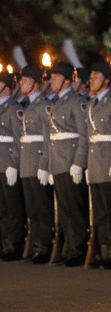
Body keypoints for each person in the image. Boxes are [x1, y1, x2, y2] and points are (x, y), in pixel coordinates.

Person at [39, 62, 90, 267]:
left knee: (74, 208)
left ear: (68, 81)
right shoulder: (57, 101)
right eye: (51, 77)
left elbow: (84, 134)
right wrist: (49, 164)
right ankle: (70, 247)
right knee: (66, 209)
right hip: (58, 162)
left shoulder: (76, 102)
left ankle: (78, 249)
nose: (52, 81)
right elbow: (52, 137)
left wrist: (78, 162)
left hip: (70, 162)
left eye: (56, 77)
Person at [86, 60, 111, 269]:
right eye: (91, 76)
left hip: (109, 163)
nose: (91, 80)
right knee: (100, 209)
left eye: (96, 76)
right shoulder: (92, 103)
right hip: (95, 164)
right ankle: (102, 248)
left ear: (108, 80)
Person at [19, 65, 55, 264]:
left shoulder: (44, 105)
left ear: (36, 82)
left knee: (42, 206)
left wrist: (44, 163)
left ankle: (46, 246)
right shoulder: (29, 104)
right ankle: (37, 245)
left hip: (38, 162)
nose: (22, 83)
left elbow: (48, 137)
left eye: (26, 79)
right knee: (32, 207)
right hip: (26, 163)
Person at [0, 68, 26, 261]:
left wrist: (14, 163)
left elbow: (19, 139)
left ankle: (13, 244)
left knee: (12, 207)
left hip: (8, 163)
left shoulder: (14, 109)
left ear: (6, 88)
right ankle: (3, 242)